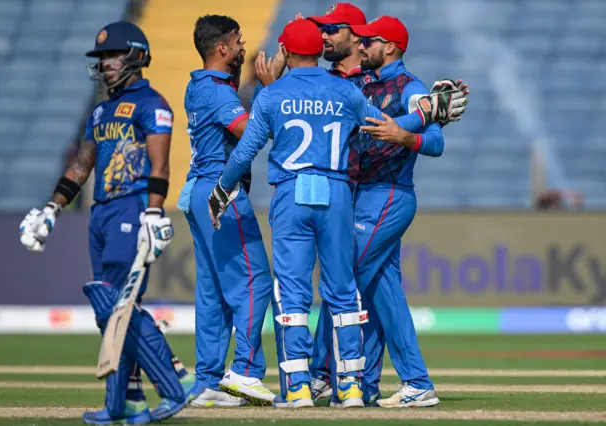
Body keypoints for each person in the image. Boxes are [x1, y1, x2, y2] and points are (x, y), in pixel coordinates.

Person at [208, 18, 465, 409]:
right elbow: (377, 126)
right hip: (339, 193)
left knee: (292, 293)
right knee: (345, 290)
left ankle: (298, 388)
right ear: (316, 50)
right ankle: (353, 388)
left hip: (297, 193)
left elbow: (247, 150)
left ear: (289, 53)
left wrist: (222, 188)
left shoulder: (274, 94)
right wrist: (428, 112)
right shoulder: (346, 90)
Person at [19, 21, 187, 424]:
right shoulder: (100, 110)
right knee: (108, 310)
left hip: (132, 208)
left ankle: (176, 383)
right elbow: (82, 164)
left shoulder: (153, 104)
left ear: (135, 56)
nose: (106, 64)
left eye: (112, 55)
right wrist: (51, 209)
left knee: (118, 306)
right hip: (101, 211)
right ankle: (127, 402)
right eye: (102, 58)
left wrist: (153, 211)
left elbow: (161, 164)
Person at [304, 4, 468, 407]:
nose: (362, 42)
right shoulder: (368, 82)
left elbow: (436, 144)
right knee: (380, 287)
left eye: (371, 39)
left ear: (390, 47)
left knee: (344, 278)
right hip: (362, 194)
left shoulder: (410, 87)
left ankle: (322, 374)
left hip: (389, 193)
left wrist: (406, 133)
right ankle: (403, 383)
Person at [177, 14, 275, 408]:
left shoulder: (199, 85)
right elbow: (248, 133)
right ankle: (247, 372)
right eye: (237, 41)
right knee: (255, 283)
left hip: (198, 191)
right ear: (221, 48)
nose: (242, 46)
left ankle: (209, 381)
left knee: (214, 292)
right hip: (223, 191)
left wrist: (279, 68)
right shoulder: (220, 94)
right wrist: (273, 95)